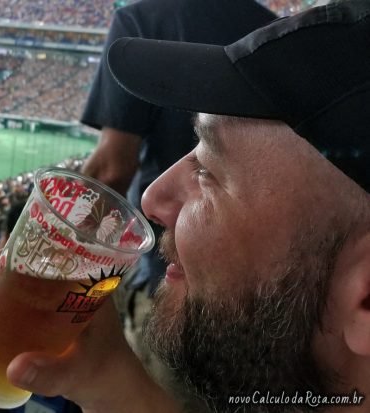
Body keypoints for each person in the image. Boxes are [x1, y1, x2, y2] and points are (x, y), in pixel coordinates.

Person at [0, 1, 370, 412]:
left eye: (208, 172)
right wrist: (113, 388)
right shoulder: (267, 25)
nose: (150, 199)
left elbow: (113, 166)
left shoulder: (144, 19)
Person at [80, 0, 276, 392]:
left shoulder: (141, 20)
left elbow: (111, 169)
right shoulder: (274, 30)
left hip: (174, 275)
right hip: (263, 288)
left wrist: (55, 251)